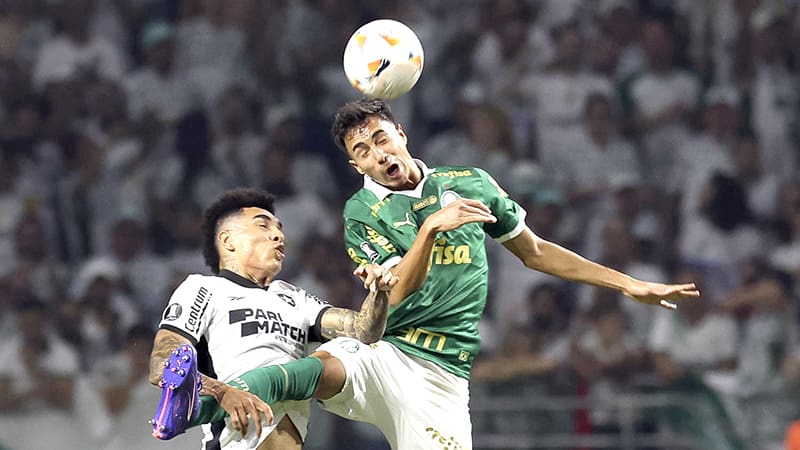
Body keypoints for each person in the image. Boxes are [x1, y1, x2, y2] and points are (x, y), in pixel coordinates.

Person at [153, 98, 700, 449]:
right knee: (312, 369)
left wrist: (627, 283)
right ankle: (191, 404)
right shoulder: (361, 213)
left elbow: (535, 253)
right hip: (390, 352)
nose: (377, 153)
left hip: (443, 376)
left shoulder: (472, 182)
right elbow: (401, 286)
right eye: (362, 150)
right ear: (356, 166)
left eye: (380, 138)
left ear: (400, 132)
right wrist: (431, 230)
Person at [147, 187, 398, 450]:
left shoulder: (295, 297)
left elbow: (364, 331)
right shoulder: (204, 288)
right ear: (228, 241)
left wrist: (379, 292)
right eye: (263, 226)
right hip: (235, 443)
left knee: (349, 351)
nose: (278, 235)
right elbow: (161, 364)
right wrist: (222, 392)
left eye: (279, 228)